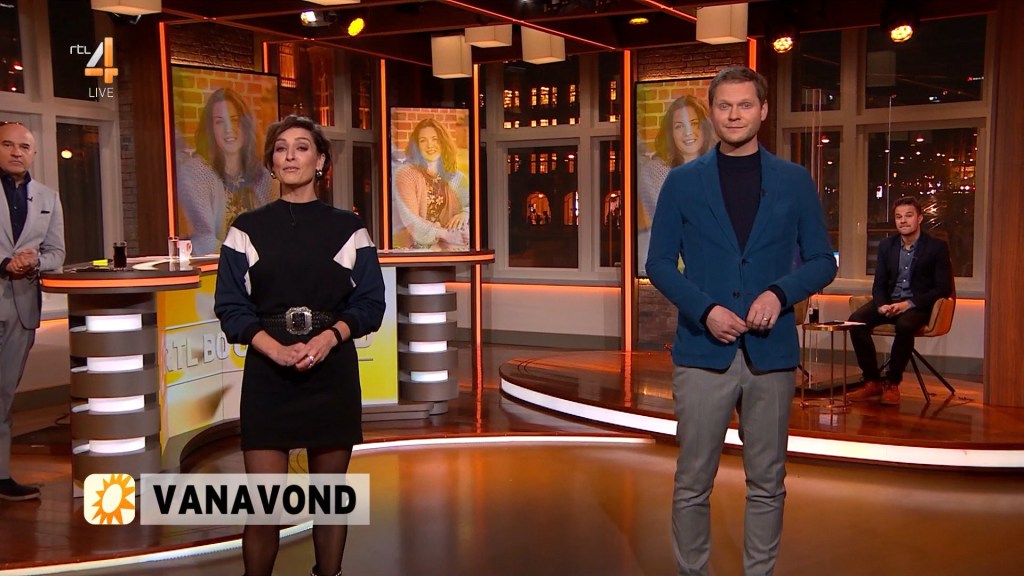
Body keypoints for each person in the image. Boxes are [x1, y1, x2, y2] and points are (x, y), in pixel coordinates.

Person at [646, 67, 836, 576]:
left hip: (770, 355)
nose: (734, 115)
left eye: (745, 105)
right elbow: (658, 263)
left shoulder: (794, 181)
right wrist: (706, 310)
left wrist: (779, 293)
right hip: (701, 353)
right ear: (713, 112)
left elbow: (823, 260)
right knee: (692, 482)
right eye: (725, 106)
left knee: (768, 483)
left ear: (763, 110)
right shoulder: (683, 182)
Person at [214, 115, 385, 576]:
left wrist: (329, 338)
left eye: (302, 147)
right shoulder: (245, 229)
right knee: (263, 506)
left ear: (321, 160)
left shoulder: (349, 229)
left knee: (329, 500)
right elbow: (230, 305)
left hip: (331, 372)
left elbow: (371, 303)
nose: (290, 155)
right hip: (268, 374)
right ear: (271, 162)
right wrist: (273, 349)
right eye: (281, 148)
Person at [0, 122, 65, 501]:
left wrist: (35, 261)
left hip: (21, 307)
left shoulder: (48, 197)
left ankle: (1, 476)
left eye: (24, 146)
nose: (16, 152)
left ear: (34, 153)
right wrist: (4, 263)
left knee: (4, 395)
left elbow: (57, 253)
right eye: (7, 144)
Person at [847, 196, 954, 405]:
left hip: (917, 305)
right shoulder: (887, 246)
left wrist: (908, 304)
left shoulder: (936, 247)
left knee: (905, 326)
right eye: (898, 217)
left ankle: (892, 383)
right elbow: (879, 284)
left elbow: (943, 288)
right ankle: (872, 380)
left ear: (919, 218)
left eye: (908, 215)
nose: (903, 220)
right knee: (855, 321)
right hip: (890, 302)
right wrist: (882, 305)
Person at [179, 87, 273, 256]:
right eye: (219, 122)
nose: (228, 129)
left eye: (234, 120)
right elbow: (203, 240)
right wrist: (248, 259)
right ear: (210, 129)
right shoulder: (195, 172)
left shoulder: (262, 176)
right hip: (216, 269)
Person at [638, 95, 714, 276]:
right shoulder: (655, 171)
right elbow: (674, 225)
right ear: (670, 133)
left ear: (704, 128)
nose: (688, 133)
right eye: (679, 126)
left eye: (694, 124)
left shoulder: (720, 166)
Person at [392, 118, 469, 250]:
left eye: (435, 139)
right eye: (423, 141)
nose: (430, 145)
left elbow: (471, 205)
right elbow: (411, 220)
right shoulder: (406, 174)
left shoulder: (456, 177)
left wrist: (465, 213)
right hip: (415, 248)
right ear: (416, 145)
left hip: (448, 248)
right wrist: (445, 234)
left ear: (443, 142)